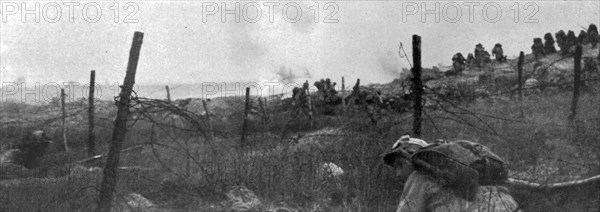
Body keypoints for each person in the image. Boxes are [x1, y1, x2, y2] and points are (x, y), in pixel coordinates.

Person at [383, 137, 519, 212]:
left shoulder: (419, 176)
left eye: (400, 165)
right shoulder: (475, 172)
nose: (398, 174)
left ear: (414, 158)